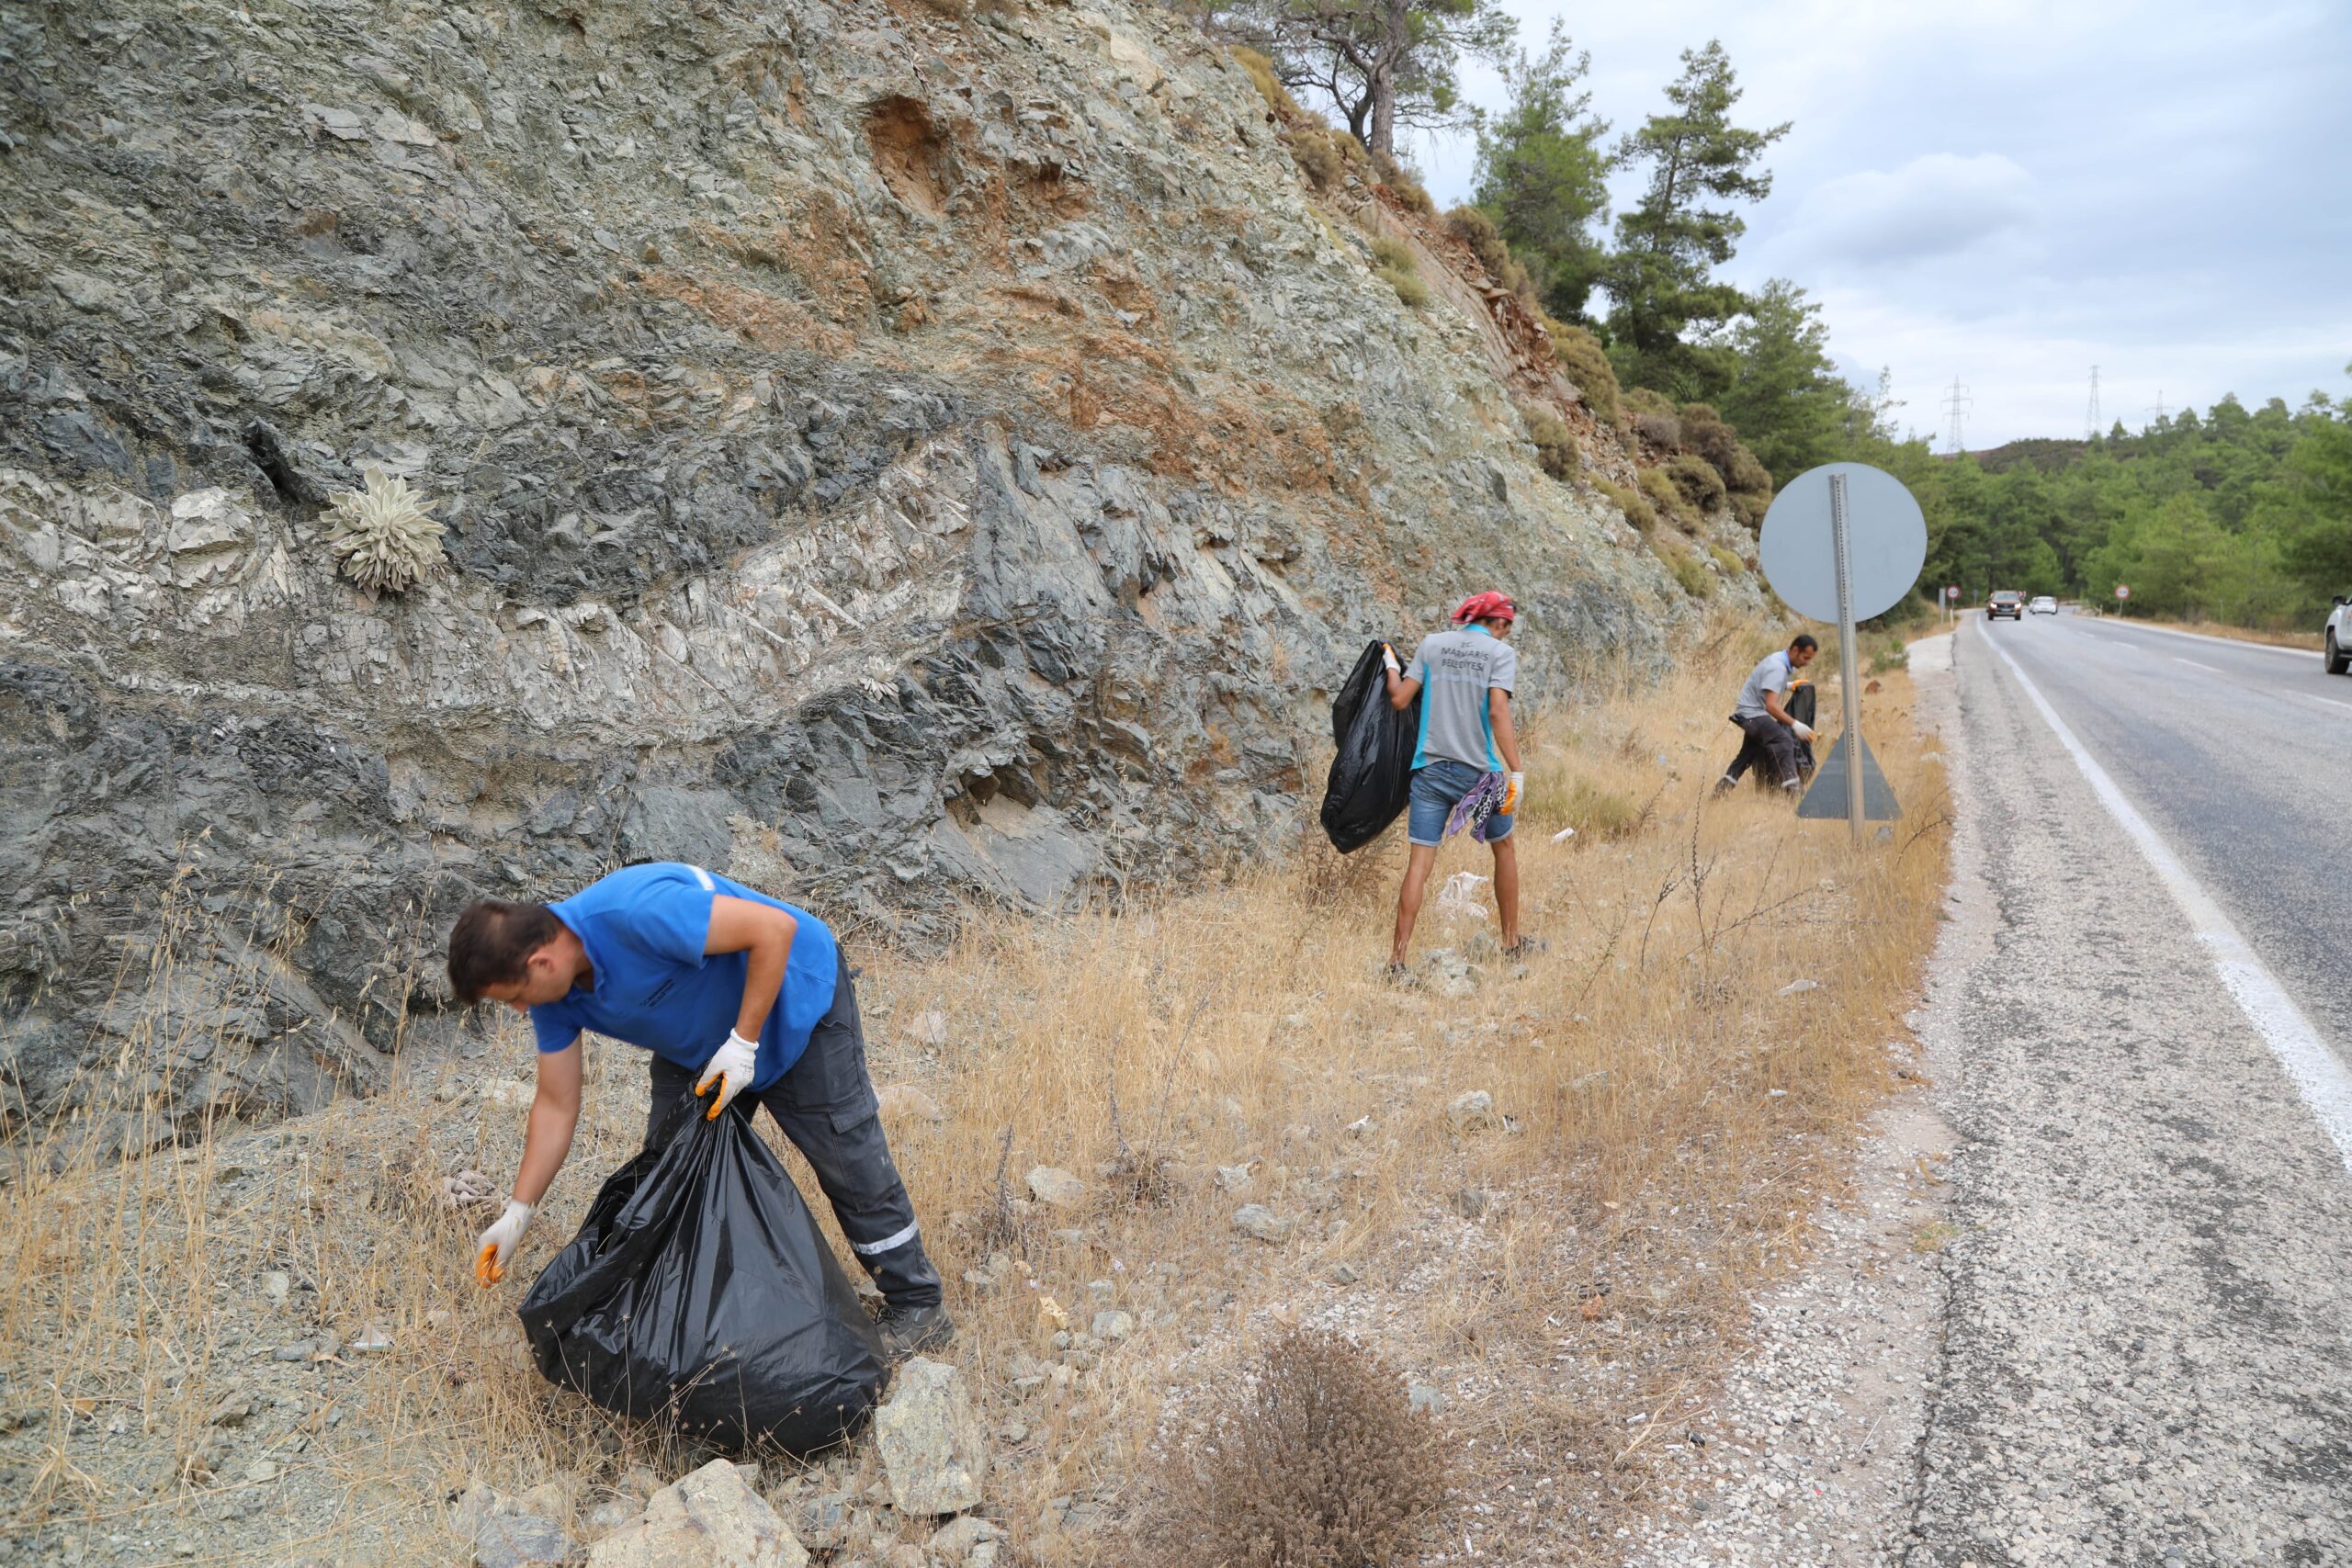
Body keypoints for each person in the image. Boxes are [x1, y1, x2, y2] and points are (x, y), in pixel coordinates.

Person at [443, 862, 951, 1358]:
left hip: (797, 1002)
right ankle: (691, 1331)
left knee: (847, 1160)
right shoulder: (555, 997)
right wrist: (517, 1212)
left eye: (512, 997)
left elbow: (775, 930)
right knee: (668, 1180)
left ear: (539, 963)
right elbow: (556, 1104)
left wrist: (743, 1045)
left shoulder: (637, 912)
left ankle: (918, 1305)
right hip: (703, 1049)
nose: (519, 1011)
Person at [1381, 591, 1531, 973]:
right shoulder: (1499, 655)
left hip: (1430, 771)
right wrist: (1516, 770)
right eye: (1506, 629)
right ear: (1499, 623)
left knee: (1420, 863)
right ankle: (1511, 944)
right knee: (1504, 848)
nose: (1505, 637)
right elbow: (1498, 711)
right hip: (1481, 778)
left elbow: (1399, 699)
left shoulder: (1432, 645)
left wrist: (1390, 665)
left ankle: (1397, 961)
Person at [1716, 635, 1818, 795]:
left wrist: (1788, 685)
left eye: (1809, 659)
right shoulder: (1778, 667)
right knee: (1784, 741)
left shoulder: (1778, 659)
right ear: (1795, 650)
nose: (1806, 663)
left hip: (1747, 713)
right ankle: (1796, 793)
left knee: (1747, 755)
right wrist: (1795, 725)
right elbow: (1771, 706)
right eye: (1805, 657)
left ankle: (1720, 791)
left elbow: (1768, 683)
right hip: (1753, 714)